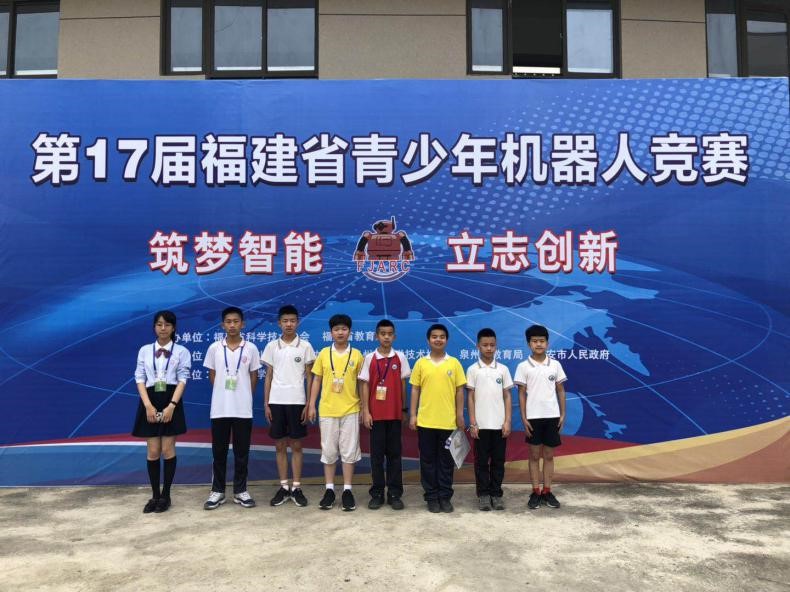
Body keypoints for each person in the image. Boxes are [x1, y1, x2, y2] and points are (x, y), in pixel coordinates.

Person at [202, 306, 261, 510]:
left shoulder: (251, 348)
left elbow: (254, 376)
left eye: (236, 321)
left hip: (243, 410)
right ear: (222, 325)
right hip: (220, 409)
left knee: (241, 452)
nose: (232, 325)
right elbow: (212, 375)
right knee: (219, 452)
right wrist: (223, 393)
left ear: (243, 324)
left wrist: (243, 395)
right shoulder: (214, 348)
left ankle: (240, 491)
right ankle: (217, 491)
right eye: (228, 322)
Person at [132, 310, 191, 513]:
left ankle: (166, 495)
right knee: (153, 451)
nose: (163, 328)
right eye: (159, 324)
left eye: (167, 324)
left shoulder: (182, 351)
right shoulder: (145, 350)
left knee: (167, 449)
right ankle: (155, 495)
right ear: (154, 327)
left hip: (171, 399)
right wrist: (147, 406)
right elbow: (139, 378)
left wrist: (172, 406)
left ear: (173, 328)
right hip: (149, 399)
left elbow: (183, 379)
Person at [308, 314, 364, 511]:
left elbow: (361, 383)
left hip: (351, 409)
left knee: (349, 451)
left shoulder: (357, 355)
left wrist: (364, 407)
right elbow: (316, 380)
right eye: (336, 329)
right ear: (330, 332)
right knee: (329, 451)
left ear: (350, 332)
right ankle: (329, 490)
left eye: (344, 329)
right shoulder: (324, 354)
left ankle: (347, 490)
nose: (340, 332)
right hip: (327, 410)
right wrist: (311, 404)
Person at [261, 304, 315, 507]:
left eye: (292, 320)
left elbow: (310, 377)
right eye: (285, 321)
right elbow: (268, 376)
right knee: (280, 445)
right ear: (279, 323)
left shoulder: (305, 346)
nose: (289, 324)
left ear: (298, 322)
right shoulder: (272, 346)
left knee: (297, 445)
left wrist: (308, 403)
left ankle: (296, 487)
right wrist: (266, 403)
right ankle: (284, 486)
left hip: (297, 402)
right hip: (276, 402)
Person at [409, 323, 466, 513]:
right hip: (425, 422)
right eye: (434, 336)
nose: (438, 339)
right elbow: (415, 390)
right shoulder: (421, 363)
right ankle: (431, 497)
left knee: (446, 462)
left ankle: (445, 497)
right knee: (427, 461)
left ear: (447, 340)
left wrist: (459, 415)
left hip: (448, 423)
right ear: (428, 340)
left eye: (442, 336)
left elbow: (460, 391)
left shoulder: (454, 363)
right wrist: (413, 415)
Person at [359, 319, 411, 510]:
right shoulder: (369, 358)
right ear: (376, 336)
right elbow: (364, 385)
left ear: (394, 337)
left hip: (395, 415)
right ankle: (377, 493)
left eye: (389, 334)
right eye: (383, 334)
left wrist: (404, 410)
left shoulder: (400, 357)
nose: (386, 337)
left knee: (395, 456)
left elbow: (403, 385)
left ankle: (395, 493)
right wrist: (366, 411)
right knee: (377, 457)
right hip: (375, 416)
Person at [514, 325, 567, 510]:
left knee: (549, 455)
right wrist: (523, 417)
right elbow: (521, 394)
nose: (538, 344)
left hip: (552, 416)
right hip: (533, 417)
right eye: (535, 341)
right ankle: (535, 491)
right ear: (529, 344)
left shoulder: (555, 365)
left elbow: (560, 390)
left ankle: (547, 491)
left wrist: (563, 413)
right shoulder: (523, 366)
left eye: (542, 341)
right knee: (534, 455)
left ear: (547, 343)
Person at [466, 328, 513, 511]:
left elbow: (507, 396)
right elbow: (470, 397)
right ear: (478, 346)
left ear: (496, 346)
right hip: (481, 426)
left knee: (498, 462)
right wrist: (473, 422)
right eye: (485, 345)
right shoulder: (473, 369)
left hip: (499, 426)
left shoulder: (503, 369)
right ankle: (483, 495)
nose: (488, 348)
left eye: (492, 345)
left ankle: (496, 494)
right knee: (481, 463)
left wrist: (507, 421)